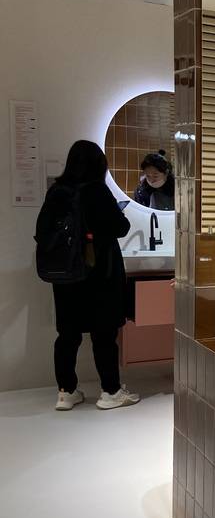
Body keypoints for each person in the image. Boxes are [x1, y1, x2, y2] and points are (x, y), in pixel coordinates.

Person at [35, 140, 140, 411]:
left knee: (67, 335)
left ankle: (66, 392)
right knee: (103, 335)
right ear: (98, 165)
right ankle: (110, 392)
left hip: (65, 275)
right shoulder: (97, 191)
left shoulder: (57, 191)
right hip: (99, 275)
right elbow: (120, 227)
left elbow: (41, 232)